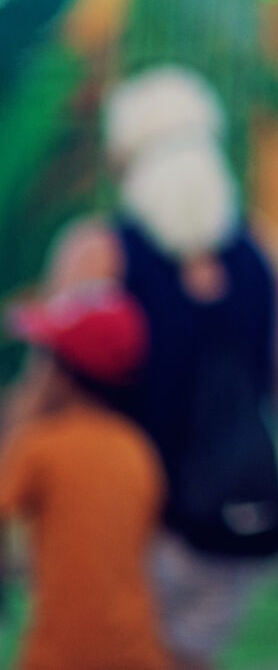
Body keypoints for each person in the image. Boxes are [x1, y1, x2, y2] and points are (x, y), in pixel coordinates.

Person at [46, 68, 278, 670]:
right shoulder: (263, 256)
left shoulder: (99, 252)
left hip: (127, 521)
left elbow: (52, 382)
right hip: (230, 522)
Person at [0, 284, 163, 670]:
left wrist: (22, 415)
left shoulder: (43, 447)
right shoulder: (137, 449)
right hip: (137, 652)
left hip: (61, 656)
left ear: (62, 373)